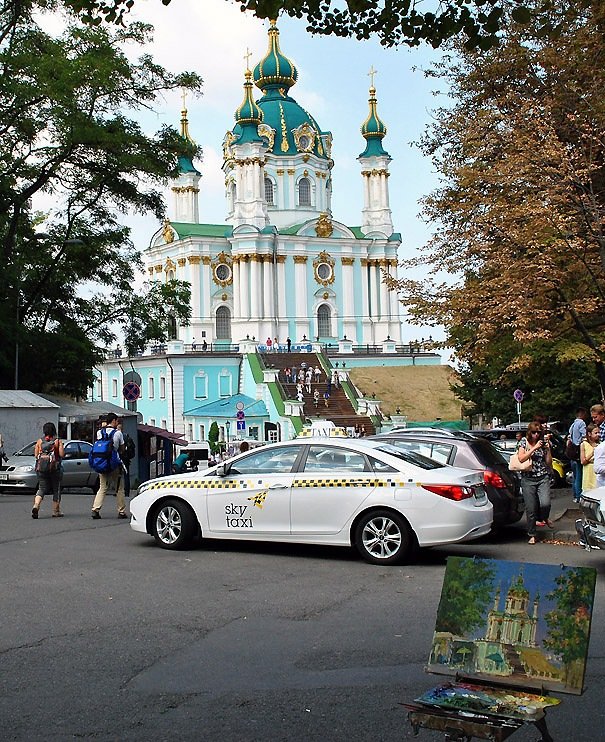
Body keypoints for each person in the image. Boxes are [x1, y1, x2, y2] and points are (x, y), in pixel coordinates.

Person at [517, 421, 553, 544]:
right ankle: (532, 534)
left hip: (542, 477)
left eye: (538, 432)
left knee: (545, 503)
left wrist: (547, 449)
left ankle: (544, 517)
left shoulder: (543, 443)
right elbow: (521, 458)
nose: (536, 435)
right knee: (531, 508)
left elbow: (548, 462)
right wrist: (534, 448)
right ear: (529, 432)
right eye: (533, 432)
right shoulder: (523, 442)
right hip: (528, 479)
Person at [91, 413, 127, 519]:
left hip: (101, 462)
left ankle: (95, 509)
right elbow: (122, 448)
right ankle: (121, 511)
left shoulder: (99, 432)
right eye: (117, 421)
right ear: (114, 421)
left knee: (102, 487)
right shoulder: (118, 433)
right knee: (119, 487)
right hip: (114, 463)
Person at [31, 422, 64, 519]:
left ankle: (36, 505)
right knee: (56, 489)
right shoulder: (57, 441)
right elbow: (62, 454)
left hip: (41, 469)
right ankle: (55, 511)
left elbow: (36, 455)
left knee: (41, 488)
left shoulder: (39, 441)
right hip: (54, 469)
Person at [568, 408, 588, 502]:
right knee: (579, 476)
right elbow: (584, 436)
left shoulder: (572, 425)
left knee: (575, 476)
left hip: (572, 453)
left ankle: (575, 496)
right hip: (578, 452)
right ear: (582, 414)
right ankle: (579, 496)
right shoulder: (582, 423)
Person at [581, 424, 600, 494]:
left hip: (597, 472)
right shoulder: (583, 444)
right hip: (589, 471)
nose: (598, 435)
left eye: (599, 432)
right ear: (589, 434)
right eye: (596, 433)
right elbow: (583, 461)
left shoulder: (600, 444)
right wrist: (593, 453)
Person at [118, 423, 135, 497]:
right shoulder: (127, 437)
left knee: (118, 475)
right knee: (126, 475)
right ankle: (127, 492)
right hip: (126, 459)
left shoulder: (119, 437)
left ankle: (118, 491)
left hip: (119, 458)